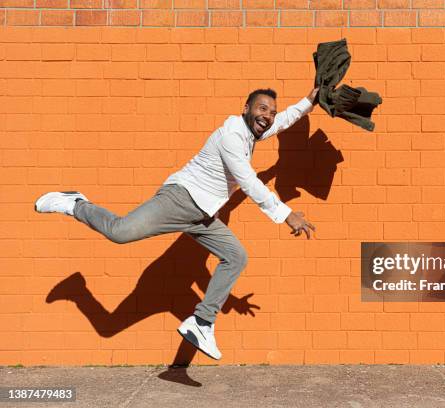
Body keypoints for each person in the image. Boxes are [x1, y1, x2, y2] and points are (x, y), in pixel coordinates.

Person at [35, 87, 319, 361]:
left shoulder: (252, 133)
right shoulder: (232, 135)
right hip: (180, 199)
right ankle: (76, 205)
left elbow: (282, 122)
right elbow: (247, 181)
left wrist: (309, 101)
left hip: (202, 215)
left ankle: (202, 323)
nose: (268, 116)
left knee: (236, 257)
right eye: (262, 109)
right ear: (245, 109)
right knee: (119, 233)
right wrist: (286, 214)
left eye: (271, 111)